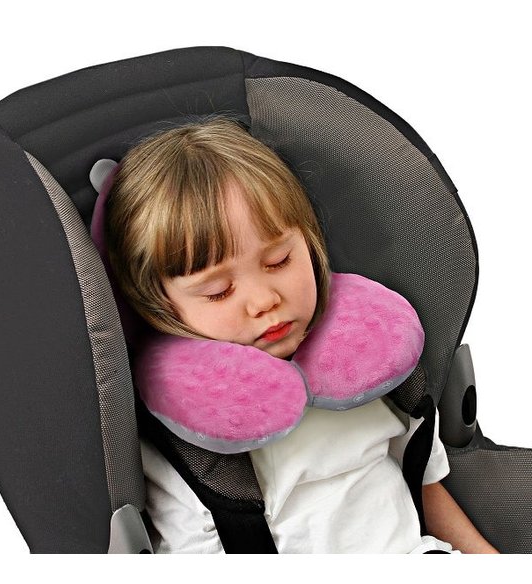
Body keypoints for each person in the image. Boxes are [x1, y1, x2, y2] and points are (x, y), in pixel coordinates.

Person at [105, 117, 498, 553]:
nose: (264, 300)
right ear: (158, 306)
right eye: (218, 290)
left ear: (309, 244)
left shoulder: (370, 368)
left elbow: (426, 485)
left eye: (278, 261)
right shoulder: (187, 447)